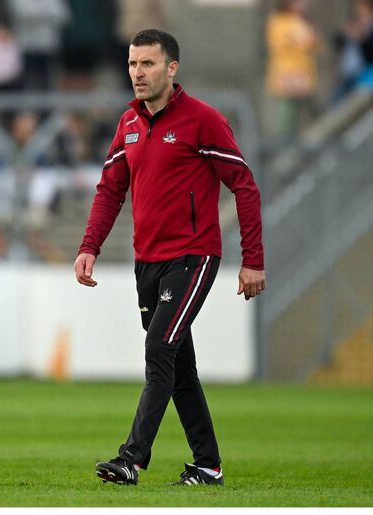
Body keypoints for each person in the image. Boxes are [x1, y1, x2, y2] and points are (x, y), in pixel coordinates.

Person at [74, 29, 265, 487]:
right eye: (132, 64)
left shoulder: (203, 120)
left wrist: (252, 259)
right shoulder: (129, 122)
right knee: (179, 367)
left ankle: (132, 459)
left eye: (148, 64)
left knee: (159, 348)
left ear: (171, 68)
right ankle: (208, 465)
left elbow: (244, 186)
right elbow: (110, 190)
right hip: (147, 261)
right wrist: (88, 246)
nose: (138, 73)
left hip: (194, 258)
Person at [265, 0, 319, 141]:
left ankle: (299, 140)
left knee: (300, 111)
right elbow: (278, 44)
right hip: (287, 73)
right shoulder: (278, 21)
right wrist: (296, 40)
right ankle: (283, 142)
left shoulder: (303, 20)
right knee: (286, 111)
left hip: (303, 73)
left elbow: (313, 42)